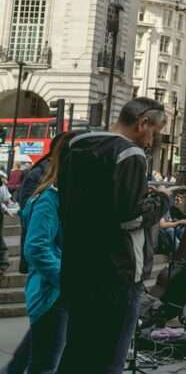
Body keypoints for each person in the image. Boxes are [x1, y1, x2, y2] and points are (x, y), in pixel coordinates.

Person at [58, 98, 170, 374]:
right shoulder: (130, 154)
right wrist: (161, 202)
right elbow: (130, 217)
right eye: (154, 132)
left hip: (78, 264)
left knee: (77, 351)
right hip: (117, 271)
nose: (151, 140)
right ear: (143, 123)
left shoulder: (76, 145)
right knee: (110, 357)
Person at [5, 132, 73, 374]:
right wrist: (63, 279)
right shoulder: (48, 199)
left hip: (56, 290)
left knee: (42, 354)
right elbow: (37, 247)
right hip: (50, 292)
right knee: (45, 363)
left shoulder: (61, 196)